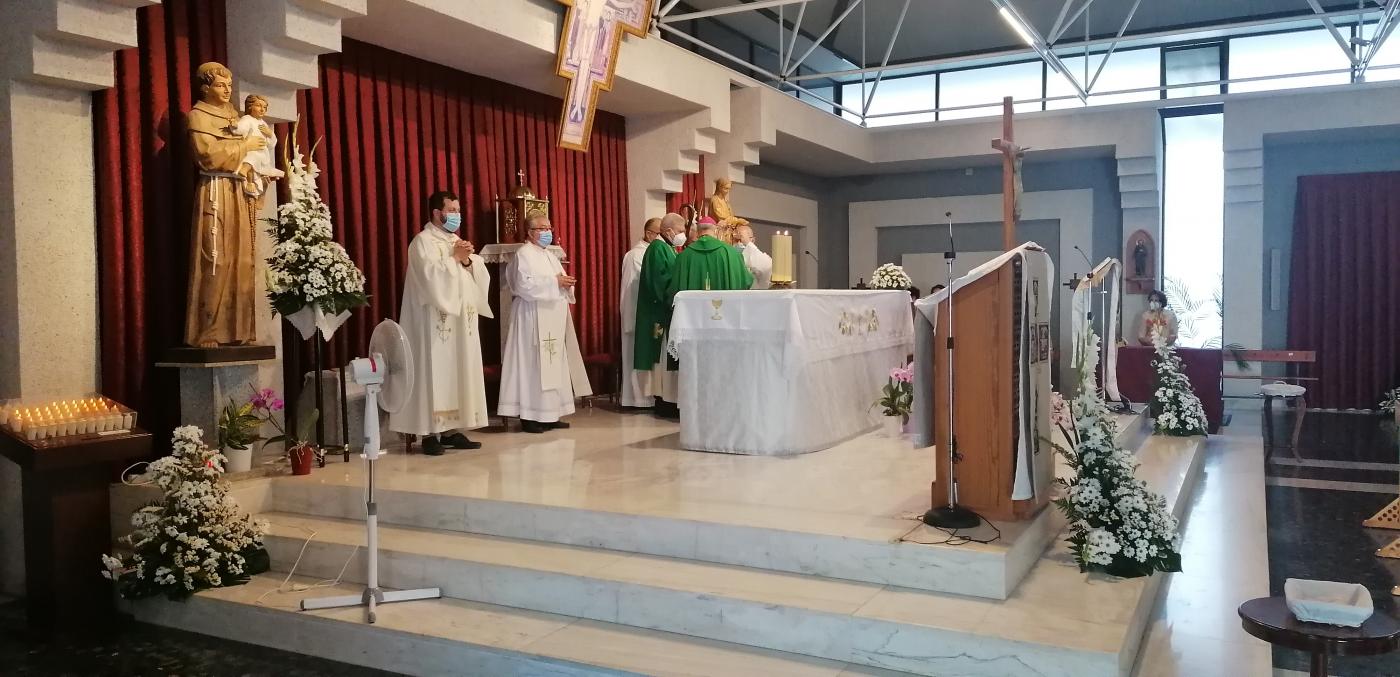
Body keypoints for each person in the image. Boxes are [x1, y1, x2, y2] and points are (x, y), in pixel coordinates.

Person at [388, 191, 492, 456]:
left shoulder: (456, 240)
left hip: (459, 324)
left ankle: (452, 429)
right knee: (434, 372)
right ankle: (429, 433)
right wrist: (454, 259)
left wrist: (468, 260)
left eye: (458, 209)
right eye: (452, 210)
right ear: (437, 213)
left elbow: (477, 270)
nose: (457, 214)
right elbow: (429, 278)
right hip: (433, 323)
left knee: (457, 370)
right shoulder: (421, 242)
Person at [184, 62, 264, 347]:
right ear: (205, 88)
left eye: (229, 85)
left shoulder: (237, 116)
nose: (227, 90)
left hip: (239, 190)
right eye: (220, 84)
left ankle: (239, 329)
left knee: (243, 259)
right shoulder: (198, 116)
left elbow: (257, 149)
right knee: (215, 258)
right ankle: (208, 330)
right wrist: (245, 147)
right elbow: (209, 156)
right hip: (215, 190)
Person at [498, 211, 592, 432]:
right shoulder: (524, 254)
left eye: (549, 228)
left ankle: (551, 413)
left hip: (552, 316)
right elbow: (523, 285)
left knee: (553, 364)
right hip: (532, 316)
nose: (547, 232)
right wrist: (555, 282)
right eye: (542, 228)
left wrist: (566, 283)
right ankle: (530, 416)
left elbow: (559, 279)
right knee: (533, 365)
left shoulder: (550, 255)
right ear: (530, 232)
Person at [635, 213, 686, 418]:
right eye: (681, 231)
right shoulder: (657, 249)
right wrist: (676, 295)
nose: (682, 235)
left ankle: (670, 400)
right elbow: (660, 281)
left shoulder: (668, 248)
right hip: (662, 312)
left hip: (668, 310)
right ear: (668, 231)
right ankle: (665, 402)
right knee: (664, 359)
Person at [620, 218, 662, 409]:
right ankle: (636, 399)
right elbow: (631, 288)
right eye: (659, 234)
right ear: (649, 234)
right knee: (634, 358)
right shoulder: (635, 255)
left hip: (649, 313)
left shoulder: (653, 252)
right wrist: (631, 318)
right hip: (637, 313)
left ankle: (648, 397)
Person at [667, 217, 753, 300]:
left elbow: (674, 290)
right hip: (723, 311)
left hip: (694, 312)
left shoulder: (683, 256)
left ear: (697, 232)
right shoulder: (731, 253)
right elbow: (746, 281)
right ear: (716, 231)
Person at [232, 94, 284, 201]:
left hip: (262, 153)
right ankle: (247, 176)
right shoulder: (247, 119)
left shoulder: (263, 123)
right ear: (250, 107)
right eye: (259, 106)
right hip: (251, 149)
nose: (262, 109)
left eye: (264, 107)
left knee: (257, 161)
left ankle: (254, 178)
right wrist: (235, 126)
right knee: (252, 158)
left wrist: (270, 134)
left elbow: (271, 144)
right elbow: (240, 129)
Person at [733, 225, 772, 290]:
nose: (738, 243)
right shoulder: (730, 254)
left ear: (752, 240)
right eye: (735, 239)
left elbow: (766, 269)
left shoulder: (762, 258)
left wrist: (748, 245)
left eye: (741, 238)